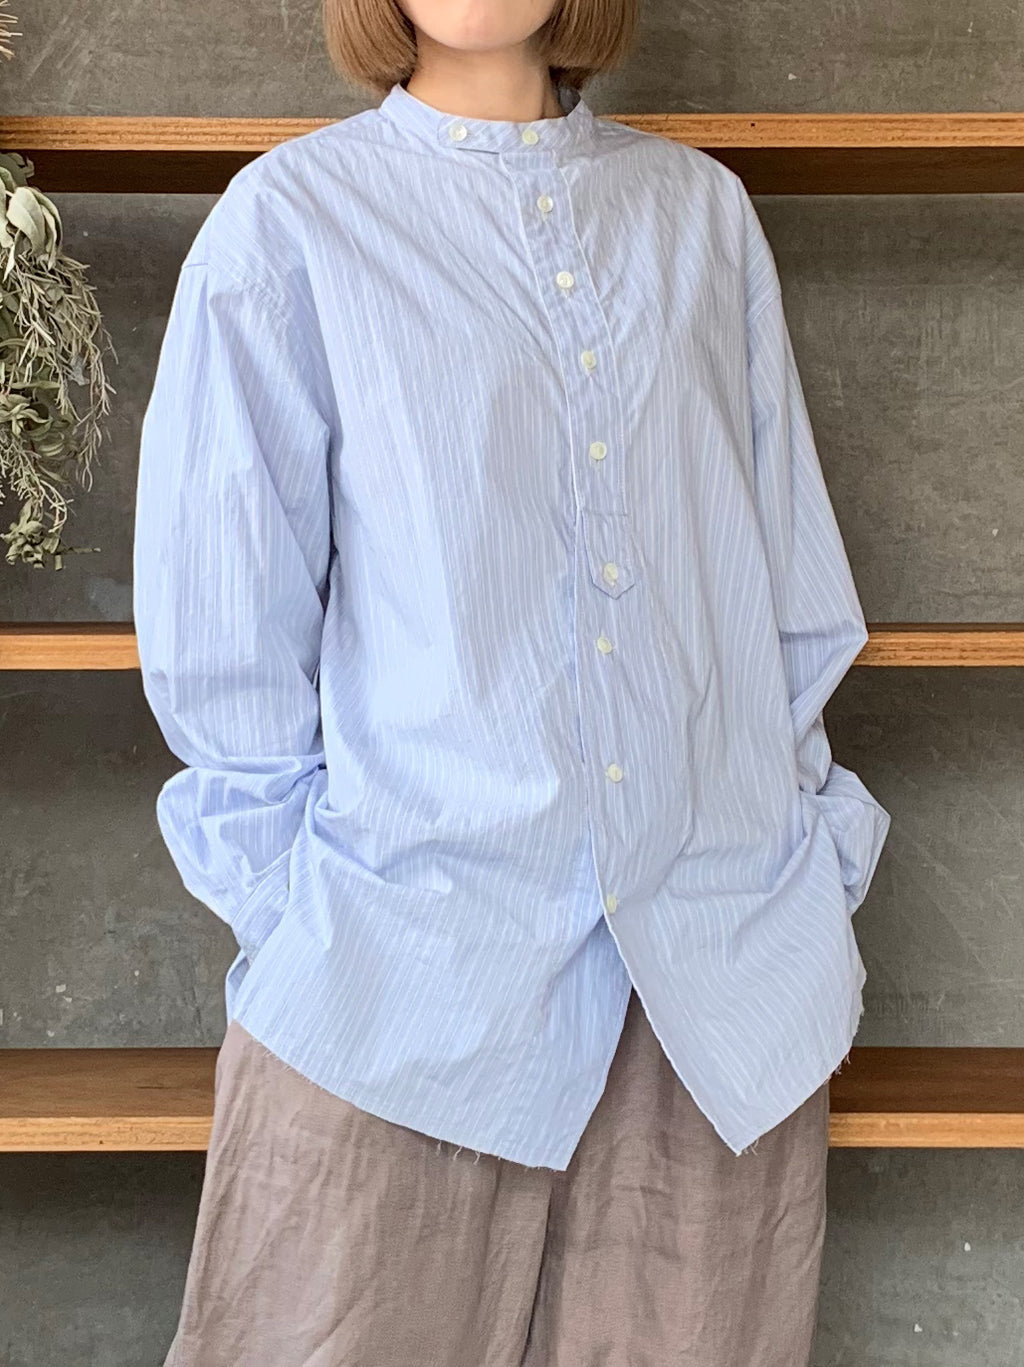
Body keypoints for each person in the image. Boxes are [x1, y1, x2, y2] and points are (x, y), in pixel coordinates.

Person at [133, 0, 891, 1363]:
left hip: (714, 1005)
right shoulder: (289, 226)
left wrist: (804, 874)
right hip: (396, 990)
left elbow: (781, 588)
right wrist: (303, 924)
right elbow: (222, 637)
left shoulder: (702, 219)